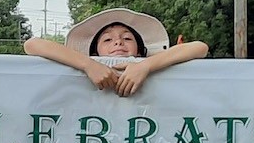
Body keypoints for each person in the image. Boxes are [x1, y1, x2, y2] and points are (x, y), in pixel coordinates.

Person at [24, 7, 208, 97]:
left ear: (140, 50)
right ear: (94, 50)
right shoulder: (84, 64)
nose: (118, 42)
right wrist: (89, 65)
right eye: (107, 40)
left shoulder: (147, 64)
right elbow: (32, 45)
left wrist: (144, 66)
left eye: (127, 38)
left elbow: (200, 47)